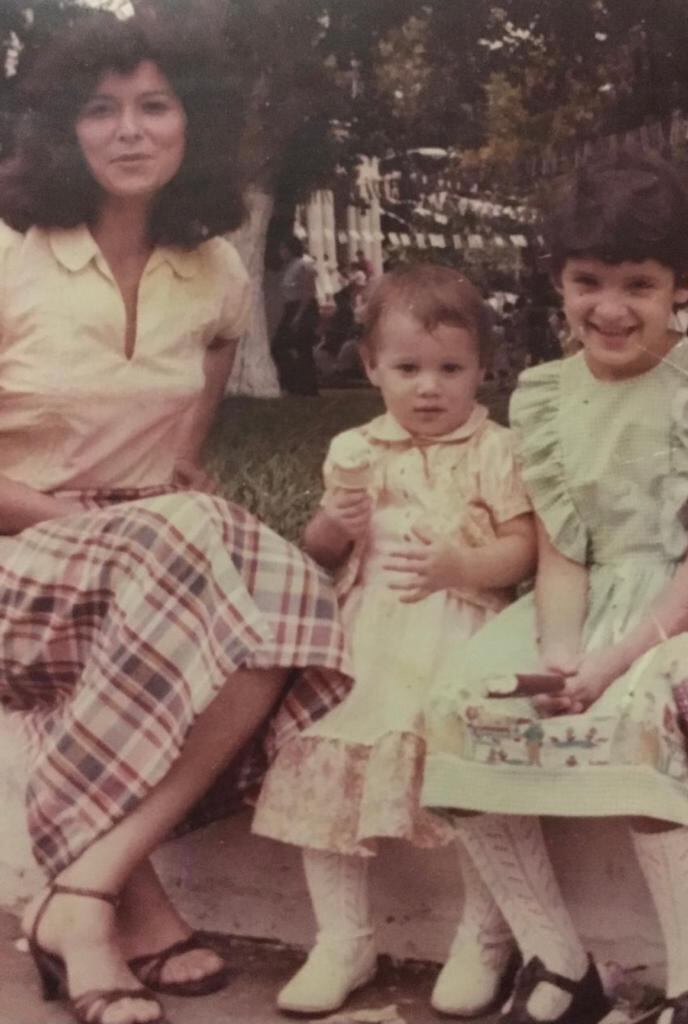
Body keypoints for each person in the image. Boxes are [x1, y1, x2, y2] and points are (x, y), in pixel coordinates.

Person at [0, 16, 351, 1024]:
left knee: (283, 585)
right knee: (190, 536)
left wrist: (171, 486)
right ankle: (123, 904)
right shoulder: (9, 254)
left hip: (145, 554)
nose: (129, 131)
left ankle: (86, 890)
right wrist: (69, 513)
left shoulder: (215, 273)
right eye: (99, 109)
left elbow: (202, 403)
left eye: (155, 106)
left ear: (193, 122)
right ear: (60, 129)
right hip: (17, 551)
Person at [420, 154, 688, 1024]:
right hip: (583, 601)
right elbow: (563, 554)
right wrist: (561, 656)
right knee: (463, 704)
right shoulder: (548, 396)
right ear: (559, 281)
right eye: (588, 281)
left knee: (642, 721)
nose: (610, 308)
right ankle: (557, 960)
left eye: (639, 285)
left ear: (681, 285)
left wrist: (612, 664)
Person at [252, 264, 537, 1017]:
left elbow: (523, 549)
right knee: (326, 770)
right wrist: (332, 525)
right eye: (408, 369)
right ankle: (343, 939)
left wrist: (462, 566)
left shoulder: (496, 450)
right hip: (369, 639)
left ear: (483, 368)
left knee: (469, 782)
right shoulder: (357, 447)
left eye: (451, 369)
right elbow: (321, 549)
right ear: (371, 366)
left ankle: (485, 936)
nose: (428, 388)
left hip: (459, 633)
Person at [270, 236, 320, 396]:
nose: (281, 252)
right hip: (291, 307)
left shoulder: (303, 266)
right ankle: (295, 384)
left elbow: (308, 292)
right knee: (281, 347)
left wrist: (299, 315)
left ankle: (306, 387)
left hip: (302, 307)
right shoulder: (288, 267)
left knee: (301, 347)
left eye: (283, 249)